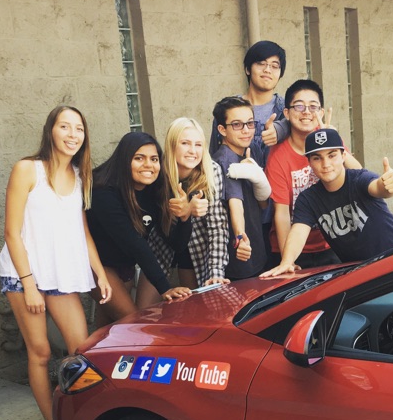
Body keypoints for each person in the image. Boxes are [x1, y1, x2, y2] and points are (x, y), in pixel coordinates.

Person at [0, 105, 110, 420]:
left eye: (79, 128)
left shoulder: (79, 176)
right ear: (51, 131)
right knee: (41, 352)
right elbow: (12, 233)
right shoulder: (27, 170)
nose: (73, 134)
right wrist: (29, 284)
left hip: (61, 275)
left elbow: (83, 232)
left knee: (81, 350)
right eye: (65, 126)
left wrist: (101, 274)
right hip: (23, 275)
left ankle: (84, 419)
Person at [262, 128, 393, 276]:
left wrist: (388, 187)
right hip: (360, 272)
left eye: (332, 155)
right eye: (317, 158)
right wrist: (287, 262)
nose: (326, 164)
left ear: (344, 155)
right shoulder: (308, 199)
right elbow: (299, 232)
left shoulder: (359, 179)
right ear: (309, 163)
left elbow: (377, 188)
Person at [87, 132, 192, 320]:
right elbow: (133, 243)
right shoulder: (104, 192)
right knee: (134, 320)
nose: (148, 165)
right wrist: (165, 287)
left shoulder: (153, 191)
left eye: (154, 159)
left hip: (124, 266)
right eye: (139, 158)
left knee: (111, 328)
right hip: (97, 266)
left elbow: (176, 244)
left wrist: (185, 217)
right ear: (124, 160)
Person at [265, 79, 364, 269]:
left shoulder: (331, 141)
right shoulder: (278, 156)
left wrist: (335, 141)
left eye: (313, 106)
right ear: (287, 113)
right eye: (299, 106)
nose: (306, 112)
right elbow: (282, 213)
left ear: (321, 112)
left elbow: (359, 174)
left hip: (332, 240)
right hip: (293, 246)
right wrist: (289, 260)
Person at [153, 117, 229, 289]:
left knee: (194, 304)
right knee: (146, 307)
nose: (192, 151)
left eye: (198, 144)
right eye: (185, 143)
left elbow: (217, 227)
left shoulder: (211, 170)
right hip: (161, 249)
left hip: (196, 250)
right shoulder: (160, 173)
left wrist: (216, 272)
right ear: (172, 145)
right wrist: (184, 210)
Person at [212, 97, 272, 280]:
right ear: (222, 129)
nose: (246, 130)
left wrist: (258, 178)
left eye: (250, 123)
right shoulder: (225, 160)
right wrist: (240, 238)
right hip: (241, 258)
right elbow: (235, 204)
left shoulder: (248, 152)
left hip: (255, 251)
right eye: (237, 124)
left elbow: (262, 205)